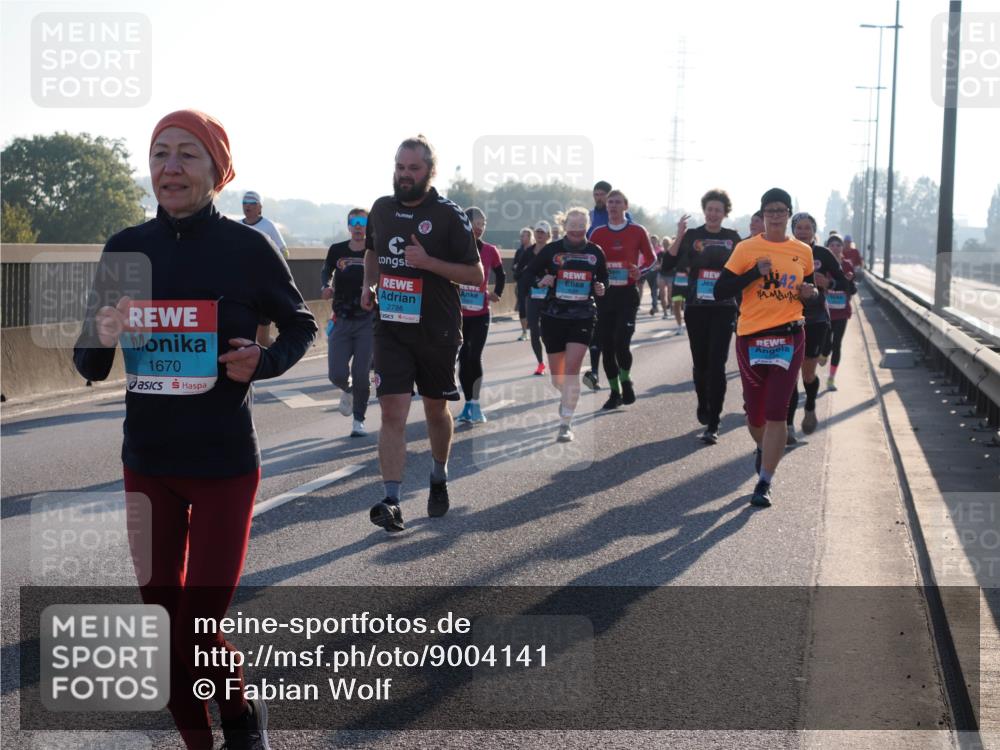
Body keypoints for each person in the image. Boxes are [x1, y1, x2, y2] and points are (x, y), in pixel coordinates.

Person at [73, 109, 318, 750]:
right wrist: (102, 333)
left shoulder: (247, 248)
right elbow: (89, 364)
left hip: (223, 465)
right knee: (163, 630)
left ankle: (239, 718)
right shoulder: (126, 249)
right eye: (161, 153)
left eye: (188, 154)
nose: (171, 167)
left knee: (197, 626)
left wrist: (263, 361)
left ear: (217, 170)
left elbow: (301, 325)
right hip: (148, 462)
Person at [361, 135, 484, 533]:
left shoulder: (448, 215)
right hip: (390, 327)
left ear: (430, 171)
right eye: (400, 167)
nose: (405, 175)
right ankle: (392, 500)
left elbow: (475, 275)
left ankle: (438, 474)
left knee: (435, 409)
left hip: (437, 329)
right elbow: (372, 251)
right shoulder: (381, 209)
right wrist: (368, 284)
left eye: (413, 168)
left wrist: (429, 262)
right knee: (392, 411)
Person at [714, 187, 817, 507]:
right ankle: (762, 447)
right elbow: (720, 290)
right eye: (769, 210)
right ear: (762, 215)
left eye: (780, 210)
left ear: (788, 214)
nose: (775, 215)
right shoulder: (746, 249)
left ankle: (765, 481)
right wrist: (751, 274)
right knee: (755, 415)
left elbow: (811, 293)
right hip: (751, 338)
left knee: (776, 412)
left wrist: (810, 294)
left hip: (789, 337)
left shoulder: (803, 251)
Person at [661, 189, 743, 443]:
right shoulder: (692, 236)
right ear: (704, 210)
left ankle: (714, 422)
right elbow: (667, 265)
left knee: (717, 364)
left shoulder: (733, 239)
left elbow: (743, 272)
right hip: (696, 307)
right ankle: (702, 401)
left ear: (725, 213)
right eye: (709, 209)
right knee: (701, 363)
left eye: (718, 210)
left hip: (724, 307)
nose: (713, 214)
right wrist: (679, 235)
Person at [528, 207, 608, 441]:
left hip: (583, 316)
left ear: (587, 226)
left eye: (581, 227)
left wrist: (601, 287)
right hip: (553, 316)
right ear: (564, 226)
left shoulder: (595, 252)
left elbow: (604, 278)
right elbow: (528, 274)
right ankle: (568, 397)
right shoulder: (551, 250)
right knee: (558, 378)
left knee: (572, 370)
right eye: (572, 226)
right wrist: (541, 280)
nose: (576, 231)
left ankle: (565, 423)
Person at [784, 212, 855, 442]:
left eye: (808, 228)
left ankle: (810, 406)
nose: (803, 232)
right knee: (790, 374)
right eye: (799, 228)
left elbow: (845, 284)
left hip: (815, 320)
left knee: (807, 374)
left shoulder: (823, 254)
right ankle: (788, 426)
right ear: (793, 230)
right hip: (788, 318)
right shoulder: (784, 250)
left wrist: (829, 282)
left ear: (814, 231)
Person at [589, 190, 655, 409]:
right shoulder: (598, 233)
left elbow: (652, 258)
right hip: (605, 296)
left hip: (627, 294)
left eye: (618, 202)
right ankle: (614, 393)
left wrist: (640, 271)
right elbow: (589, 260)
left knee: (621, 342)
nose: (613, 206)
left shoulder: (637, 231)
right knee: (607, 346)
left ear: (626, 206)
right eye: (610, 202)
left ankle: (626, 379)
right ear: (606, 206)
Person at [321, 208, 374, 437]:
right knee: (336, 374)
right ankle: (349, 389)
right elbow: (326, 270)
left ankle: (358, 420)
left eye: (363, 221)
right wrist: (326, 286)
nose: (358, 225)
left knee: (361, 373)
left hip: (367, 321)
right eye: (354, 221)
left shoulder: (375, 251)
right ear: (349, 226)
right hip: (341, 319)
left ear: (369, 226)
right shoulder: (337, 250)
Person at [456, 206, 505, 424]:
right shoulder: (454, 248)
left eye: (482, 224)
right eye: (476, 223)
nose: (479, 227)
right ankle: (468, 403)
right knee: (463, 358)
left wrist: (497, 293)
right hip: (458, 314)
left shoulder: (490, 250)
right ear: (465, 224)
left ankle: (475, 404)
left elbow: (501, 275)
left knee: (474, 356)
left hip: (480, 313)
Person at [241, 190, 288, 348]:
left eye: (252, 203)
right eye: (244, 203)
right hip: (243, 288)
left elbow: (284, 251)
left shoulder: (268, 226)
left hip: (264, 288)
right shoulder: (237, 226)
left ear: (260, 207)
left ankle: (279, 353)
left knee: (263, 340)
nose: (247, 206)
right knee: (243, 336)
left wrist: (275, 270)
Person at [514, 221, 552, 376]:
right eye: (538, 232)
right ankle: (540, 363)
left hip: (550, 297)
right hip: (532, 296)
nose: (540, 235)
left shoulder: (553, 251)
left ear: (548, 235)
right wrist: (527, 274)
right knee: (535, 331)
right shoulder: (528, 252)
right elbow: (517, 273)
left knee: (548, 332)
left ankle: (553, 358)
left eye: (543, 232)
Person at [820, 234, 857, 390]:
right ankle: (823, 353)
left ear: (842, 248)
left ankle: (831, 379)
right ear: (827, 247)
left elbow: (852, 290)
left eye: (838, 245)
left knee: (837, 344)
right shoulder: (822, 264)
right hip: (826, 311)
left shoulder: (847, 265)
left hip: (842, 311)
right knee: (826, 344)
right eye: (832, 245)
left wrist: (848, 281)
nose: (835, 248)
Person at [513, 226, 534, 341]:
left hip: (533, 283)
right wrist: (516, 267)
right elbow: (514, 265)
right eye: (521, 236)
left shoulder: (535, 250)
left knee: (533, 305)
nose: (521, 238)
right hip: (521, 282)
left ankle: (536, 329)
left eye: (523, 236)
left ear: (530, 237)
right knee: (522, 306)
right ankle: (524, 332)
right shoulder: (519, 251)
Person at [644, 234, 664, 315]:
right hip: (649, 272)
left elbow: (662, 263)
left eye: (654, 241)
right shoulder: (648, 250)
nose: (653, 242)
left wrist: (657, 266)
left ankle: (654, 306)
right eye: (651, 241)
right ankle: (655, 306)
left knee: (654, 289)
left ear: (657, 241)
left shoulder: (660, 251)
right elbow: (644, 260)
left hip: (657, 272)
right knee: (652, 290)